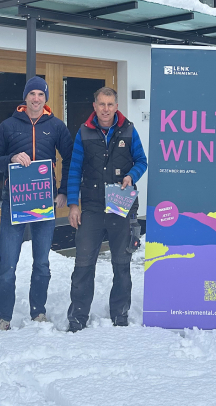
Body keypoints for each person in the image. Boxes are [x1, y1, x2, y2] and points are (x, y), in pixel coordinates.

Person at [0, 76, 73, 330]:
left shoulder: (57, 126)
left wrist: (63, 192)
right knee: (7, 263)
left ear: (45, 99)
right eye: (32, 94)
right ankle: (4, 316)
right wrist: (11, 158)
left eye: (40, 94)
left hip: (44, 202)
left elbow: (71, 159)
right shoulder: (8, 126)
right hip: (13, 202)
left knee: (42, 262)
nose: (36, 99)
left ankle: (38, 311)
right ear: (25, 98)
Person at [66, 87, 147, 332]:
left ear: (116, 105)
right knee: (83, 264)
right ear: (94, 105)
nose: (105, 109)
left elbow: (142, 161)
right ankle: (77, 316)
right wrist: (73, 205)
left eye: (110, 104)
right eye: (101, 104)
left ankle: (120, 314)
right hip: (91, 208)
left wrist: (131, 177)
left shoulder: (130, 131)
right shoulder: (84, 132)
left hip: (121, 207)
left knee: (122, 264)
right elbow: (74, 170)